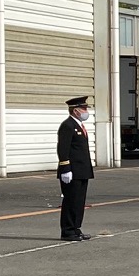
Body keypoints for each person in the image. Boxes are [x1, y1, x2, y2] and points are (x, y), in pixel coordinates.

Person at [55, 95, 95, 240]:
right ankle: (68, 231)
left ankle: (76, 228)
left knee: (79, 202)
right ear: (76, 111)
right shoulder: (68, 125)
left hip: (82, 171)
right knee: (71, 201)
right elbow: (63, 148)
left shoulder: (79, 126)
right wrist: (65, 168)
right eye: (83, 109)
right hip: (72, 171)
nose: (86, 111)